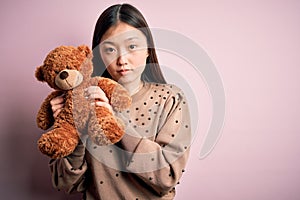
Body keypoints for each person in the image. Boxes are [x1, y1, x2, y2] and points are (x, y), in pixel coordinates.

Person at [49, 3, 191, 200]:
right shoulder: (82, 100)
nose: (122, 59)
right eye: (110, 49)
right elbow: (66, 183)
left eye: (132, 46)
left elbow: (167, 176)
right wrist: (75, 127)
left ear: (148, 49)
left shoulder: (171, 99)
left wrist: (115, 121)